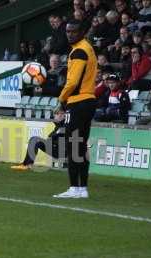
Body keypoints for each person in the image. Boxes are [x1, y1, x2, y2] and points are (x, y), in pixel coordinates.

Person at [53, 19, 98, 199]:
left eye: (73, 31)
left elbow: (73, 81)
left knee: (73, 145)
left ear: (81, 32)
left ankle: (74, 188)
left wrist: (61, 99)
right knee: (81, 145)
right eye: (68, 31)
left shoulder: (79, 51)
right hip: (88, 101)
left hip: (78, 102)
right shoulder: (88, 47)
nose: (70, 34)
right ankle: (82, 188)